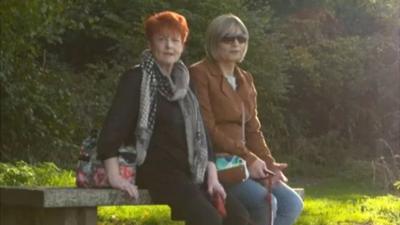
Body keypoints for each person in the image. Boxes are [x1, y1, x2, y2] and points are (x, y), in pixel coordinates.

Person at [96, 11, 249, 225]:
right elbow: (112, 132)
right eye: (162, 39)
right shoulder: (136, 79)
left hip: (192, 170)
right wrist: (114, 177)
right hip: (157, 171)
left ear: (182, 45)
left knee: (239, 216)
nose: (169, 46)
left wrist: (212, 179)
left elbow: (203, 135)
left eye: (175, 40)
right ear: (151, 43)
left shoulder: (185, 82)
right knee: (208, 220)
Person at [189, 14, 303, 225]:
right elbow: (206, 128)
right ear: (214, 41)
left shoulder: (245, 78)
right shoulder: (199, 73)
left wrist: (269, 164)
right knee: (267, 202)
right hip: (217, 163)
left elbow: (253, 129)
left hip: (245, 162)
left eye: (241, 38)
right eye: (228, 38)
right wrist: (249, 158)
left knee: (292, 203)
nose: (236, 43)